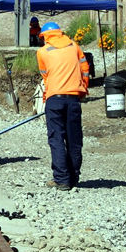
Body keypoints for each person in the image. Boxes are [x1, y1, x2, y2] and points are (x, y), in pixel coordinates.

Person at [36, 22, 90, 191]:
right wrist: (82, 90)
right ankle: (74, 177)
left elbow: (46, 77)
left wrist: (47, 96)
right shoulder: (74, 46)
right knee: (74, 139)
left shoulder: (42, 52)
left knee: (57, 139)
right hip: (73, 98)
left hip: (55, 99)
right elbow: (85, 69)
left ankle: (61, 180)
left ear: (45, 36)